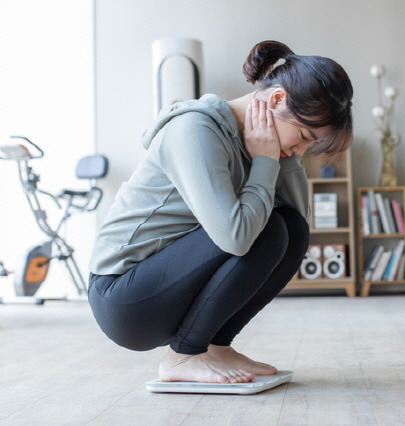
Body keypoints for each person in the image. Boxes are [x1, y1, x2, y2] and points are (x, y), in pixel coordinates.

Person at [87, 40, 353, 384]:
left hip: (166, 287)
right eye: (303, 136)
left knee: (289, 227)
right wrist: (267, 159)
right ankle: (182, 358)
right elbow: (236, 238)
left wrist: (281, 156)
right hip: (124, 298)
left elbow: (298, 222)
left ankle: (215, 346)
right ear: (275, 100)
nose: (300, 149)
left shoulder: (256, 142)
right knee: (264, 229)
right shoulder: (195, 130)